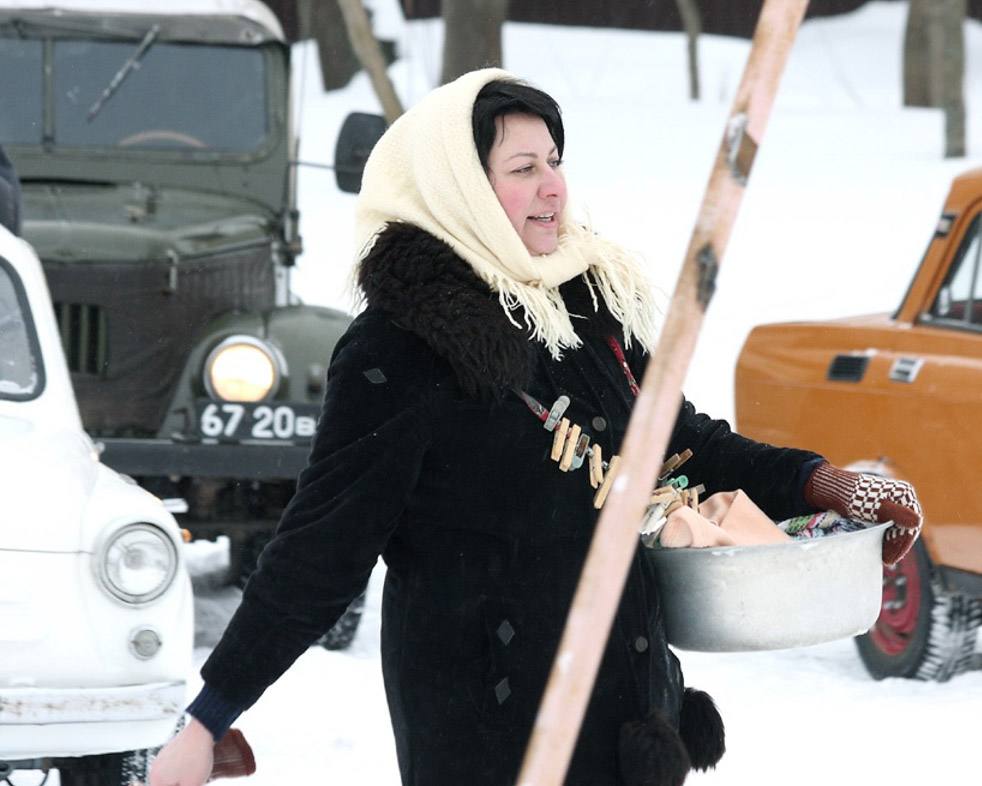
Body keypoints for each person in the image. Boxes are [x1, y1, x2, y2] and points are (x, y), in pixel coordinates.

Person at [148, 68, 923, 786]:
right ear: (462, 191)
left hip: (629, 717)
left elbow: (681, 446)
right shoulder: (400, 350)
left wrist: (825, 485)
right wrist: (211, 714)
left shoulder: (587, 306)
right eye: (522, 170)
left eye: (555, 161)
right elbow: (321, 548)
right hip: (492, 737)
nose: (554, 188)